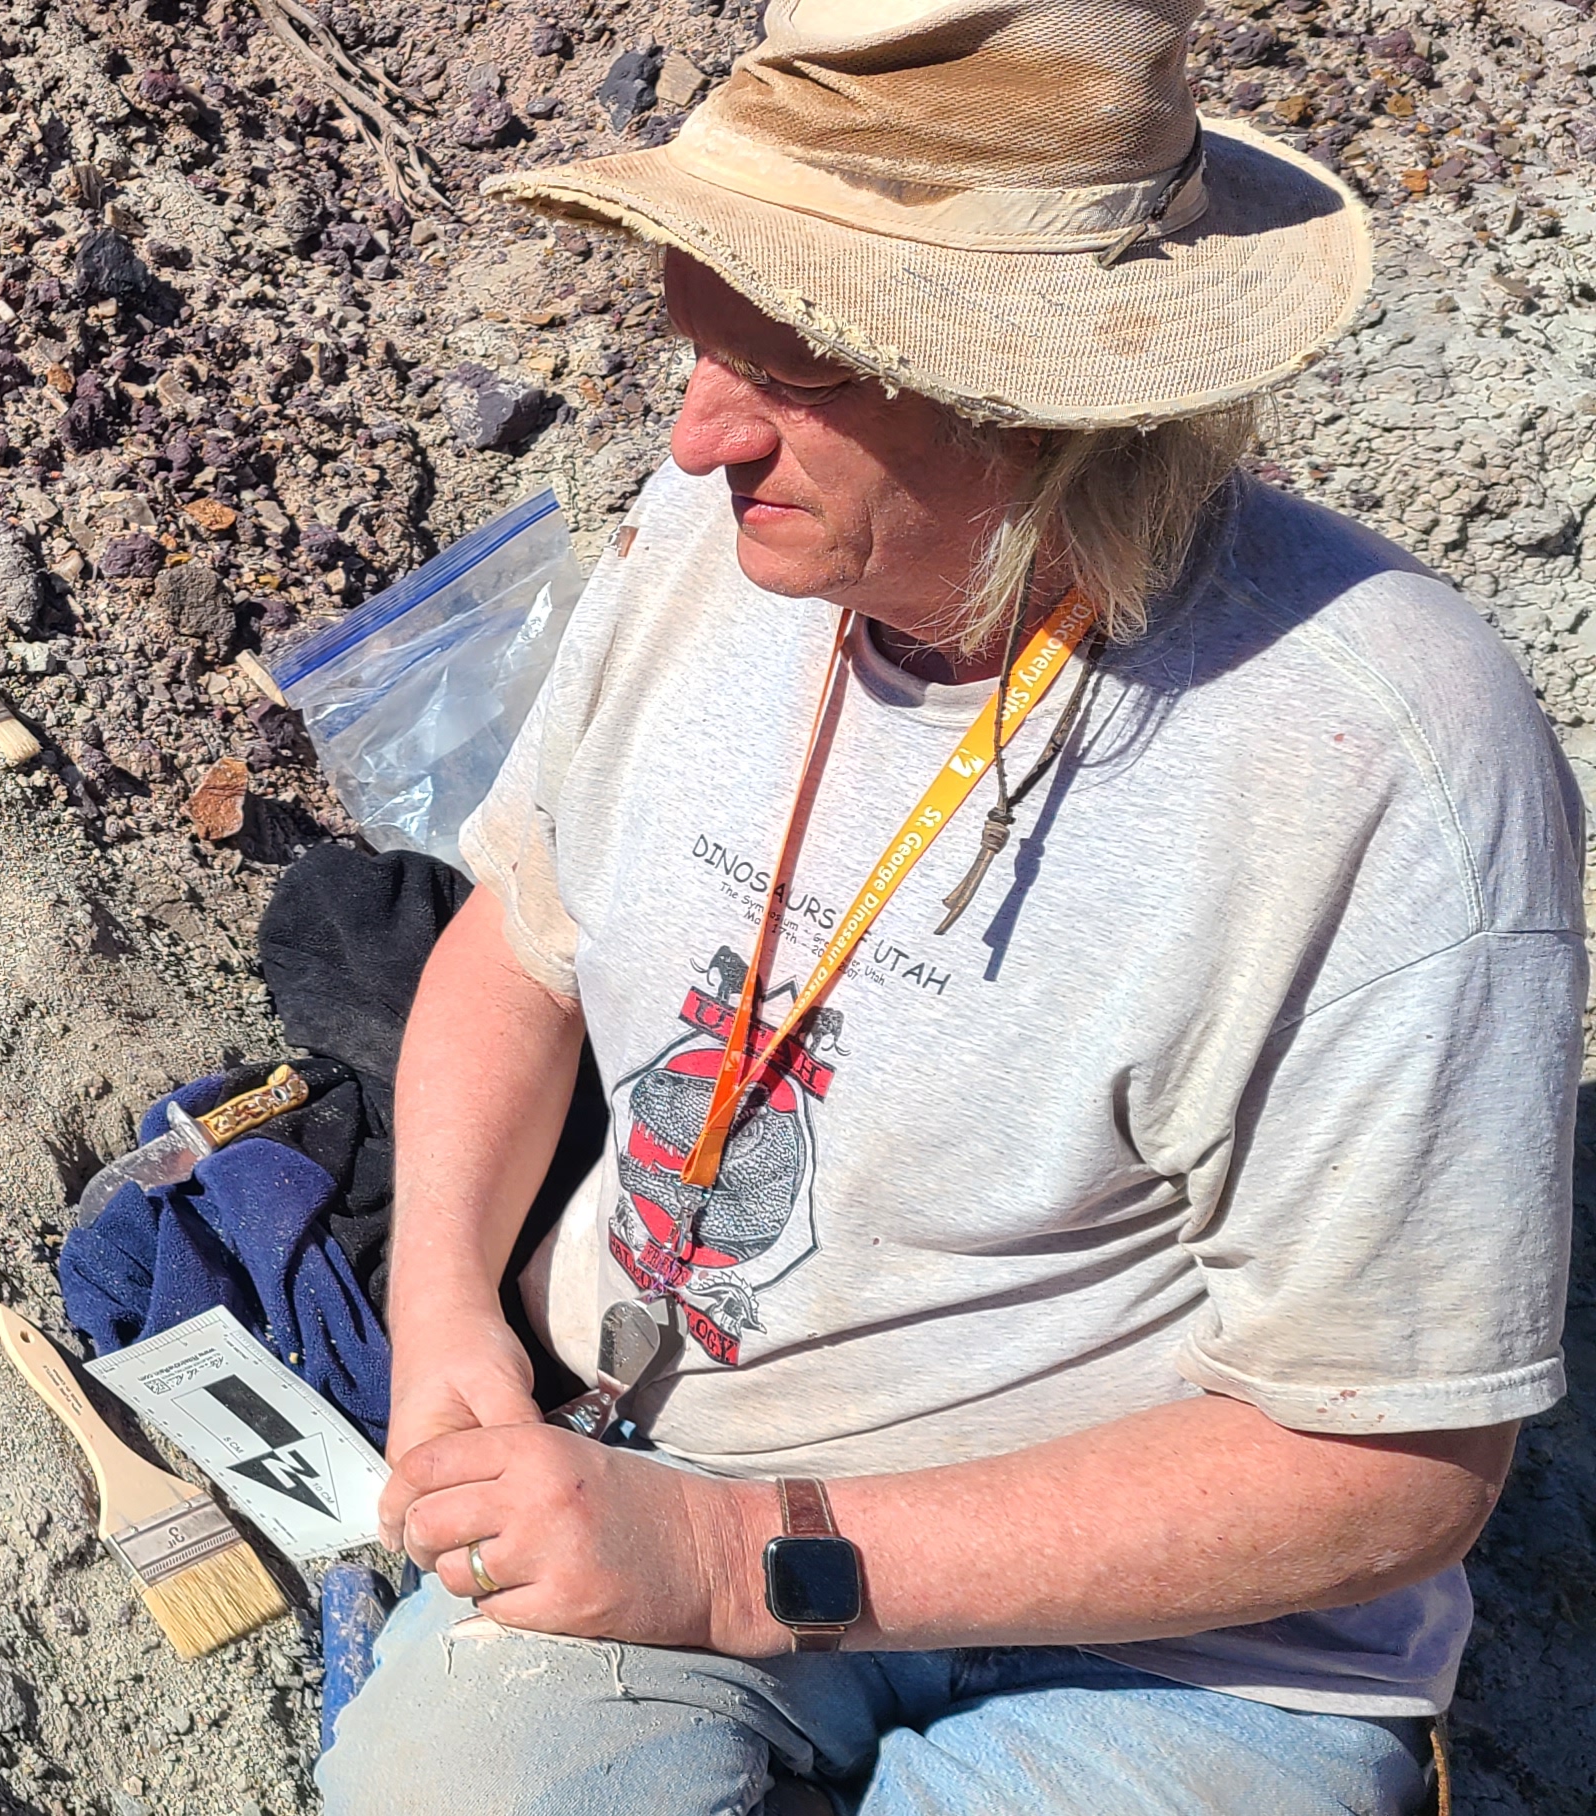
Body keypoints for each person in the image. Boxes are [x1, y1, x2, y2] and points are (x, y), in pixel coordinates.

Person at [311, 2, 1583, 1811]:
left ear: (1044, 402)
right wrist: (444, 1318)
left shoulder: (1376, 760)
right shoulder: (714, 556)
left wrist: (743, 1569)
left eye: (798, 375)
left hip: (1184, 1648)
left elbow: (1392, 1470)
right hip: (649, 1469)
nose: (695, 445)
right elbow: (520, 944)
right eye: (699, 345)